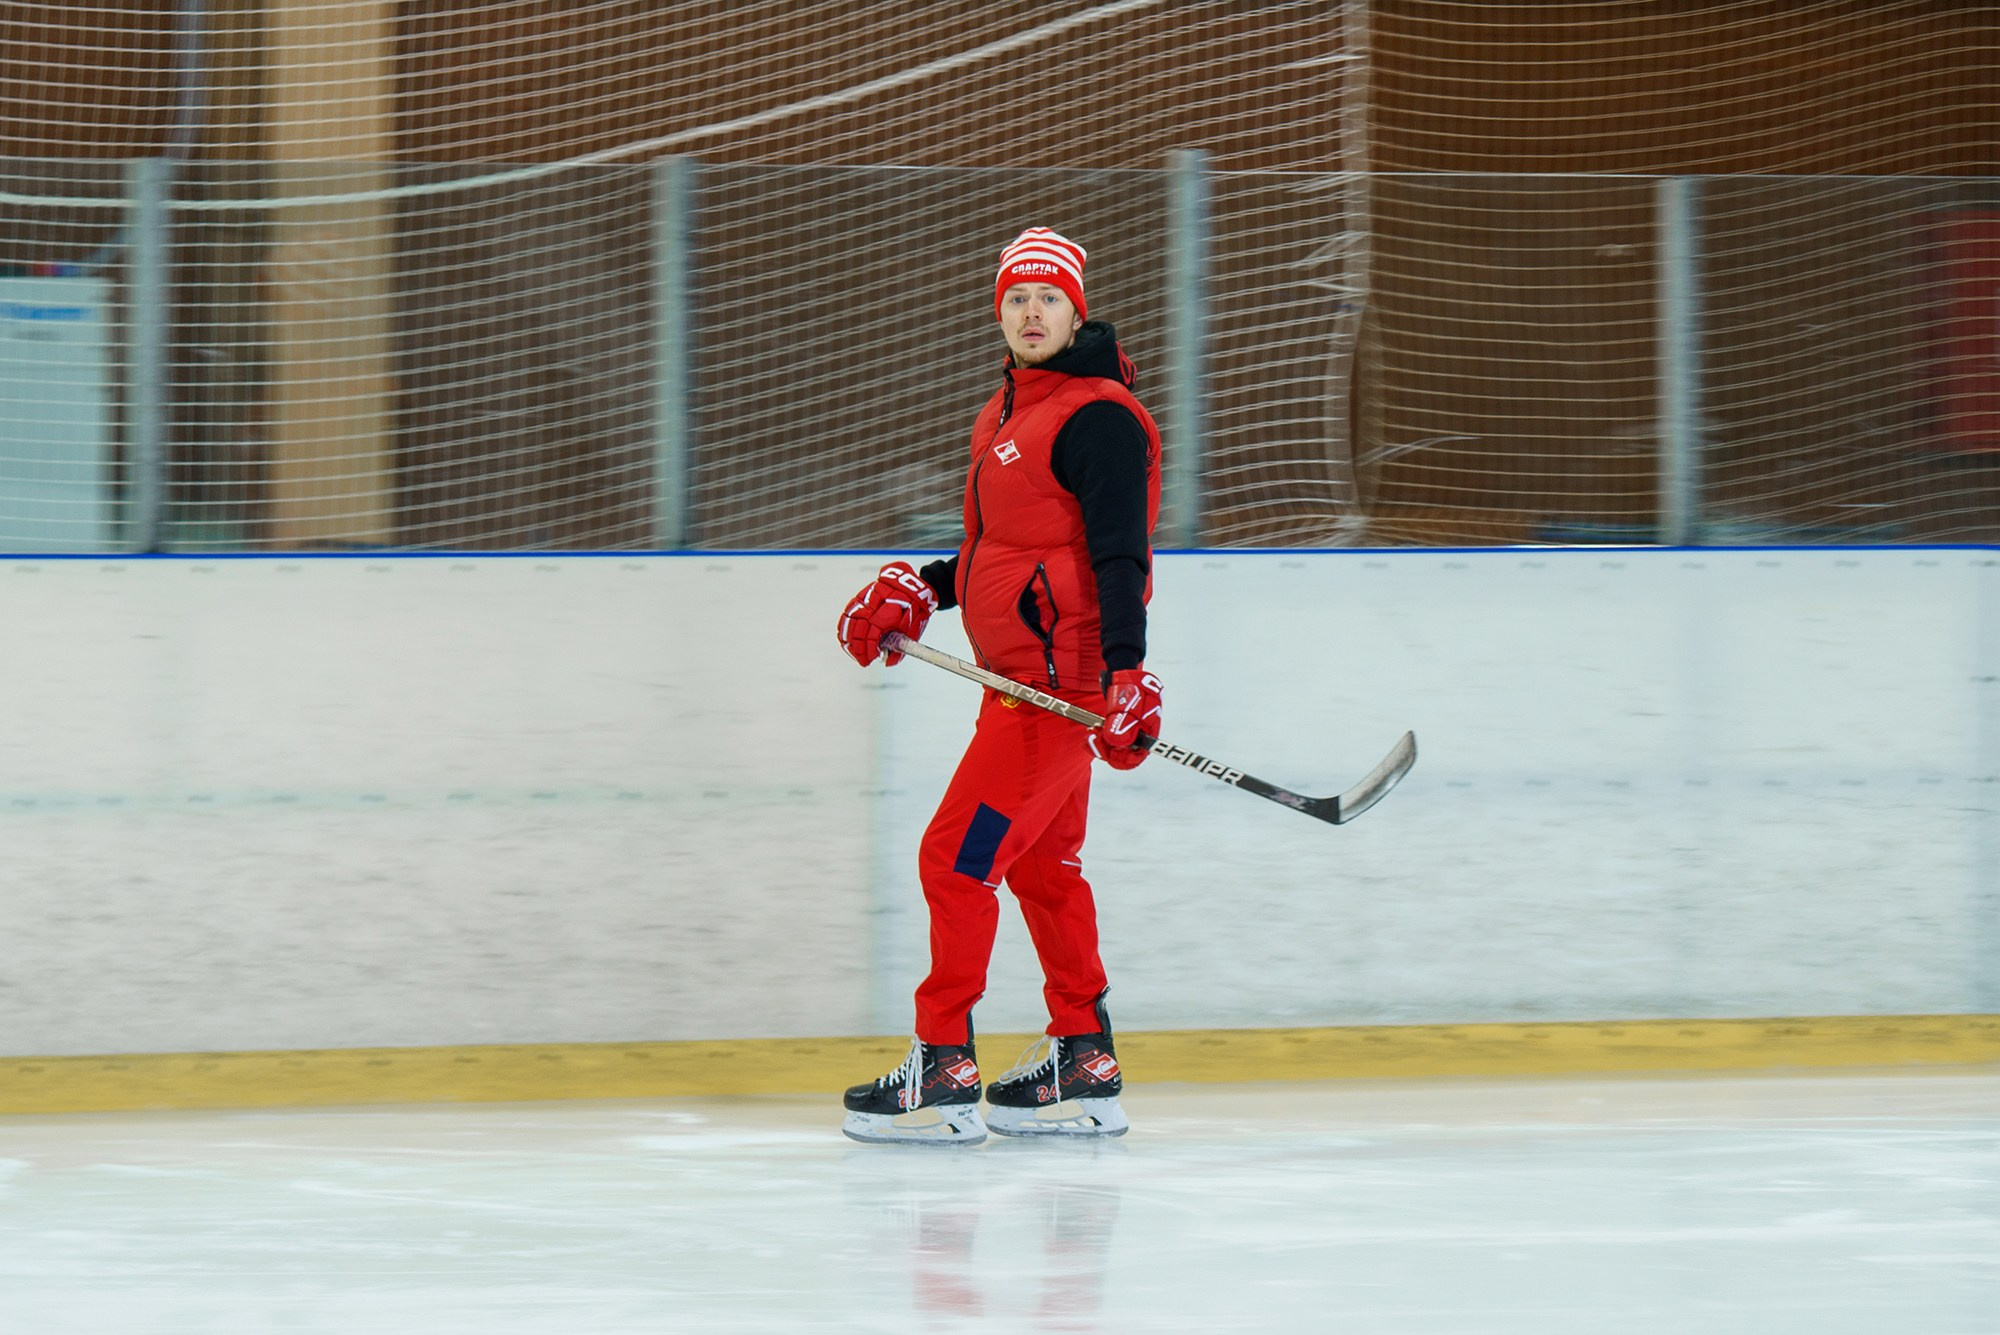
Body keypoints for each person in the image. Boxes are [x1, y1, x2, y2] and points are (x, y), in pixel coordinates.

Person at [835, 227, 1163, 1145]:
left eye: (1048, 297)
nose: (1030, 310)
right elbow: (1006, 552)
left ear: (1077, 310)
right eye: (1016, 296)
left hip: (1050, 700)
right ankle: (1083, 1060)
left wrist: (1127, 673)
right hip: (1020, 684)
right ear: (1000, 310)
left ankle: (941, 1068)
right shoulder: (1009, 414)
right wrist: (926, 589)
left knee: (955, 859)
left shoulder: (1097, 415)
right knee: (1041, 865)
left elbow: (1118, 556)